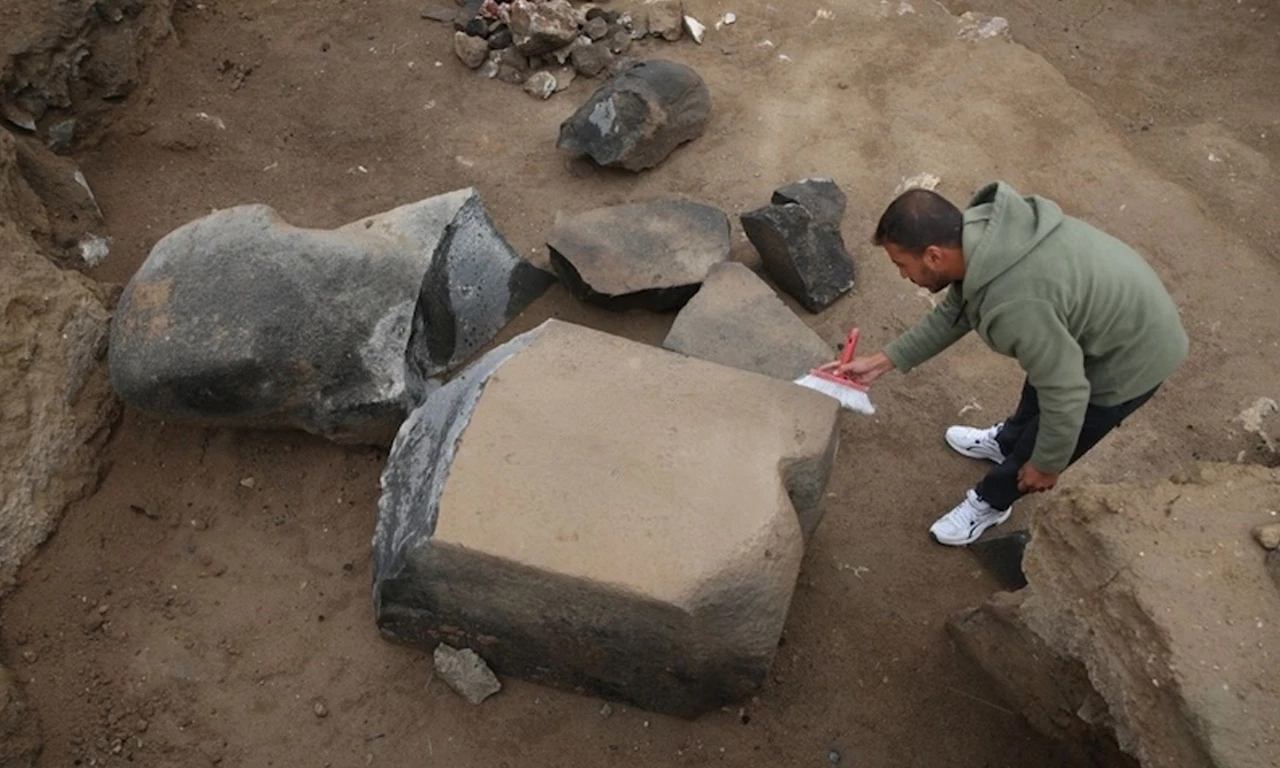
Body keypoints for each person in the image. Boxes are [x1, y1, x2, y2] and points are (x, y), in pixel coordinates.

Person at [824, 181, 1188, 546]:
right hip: (1101, 323)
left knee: (1046, 430)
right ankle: (1006, 441)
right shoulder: (984, 238)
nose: (902, 275)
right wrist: (884, 360)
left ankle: (992, 502)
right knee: (1042, 373)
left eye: (902, 265)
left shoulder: (1017, 305)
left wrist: (1046, 464)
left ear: (933, 255)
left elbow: (1067, 393)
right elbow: (958, 310)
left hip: (1131, 358)